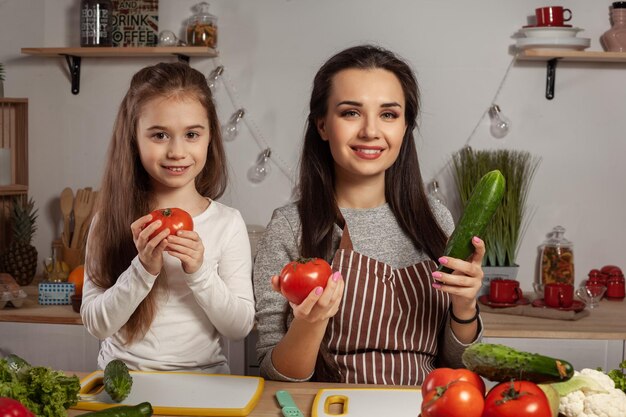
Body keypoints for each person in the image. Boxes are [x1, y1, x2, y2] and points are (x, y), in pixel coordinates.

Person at [253, 45, 485, 385]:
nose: (370, 131)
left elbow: (459, 366)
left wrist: (465, 307)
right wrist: (310, 322)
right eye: (350, 113)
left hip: (422, 405)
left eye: (388, 115)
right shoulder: (290, 226)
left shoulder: (436, 220)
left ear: (406, 126)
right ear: (322, 125)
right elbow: (276, 374)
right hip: (332, 405)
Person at [81, 62, 255, 373]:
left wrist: (200, 273)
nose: (177, 151)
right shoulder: (108, 219)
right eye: (159, 135)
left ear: (209, 137)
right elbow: (96, 324)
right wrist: (143, 270)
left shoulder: (227, 223)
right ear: (133, 138)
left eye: (191, 134)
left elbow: (239, 327)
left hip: (206, 382)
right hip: (124, 381)